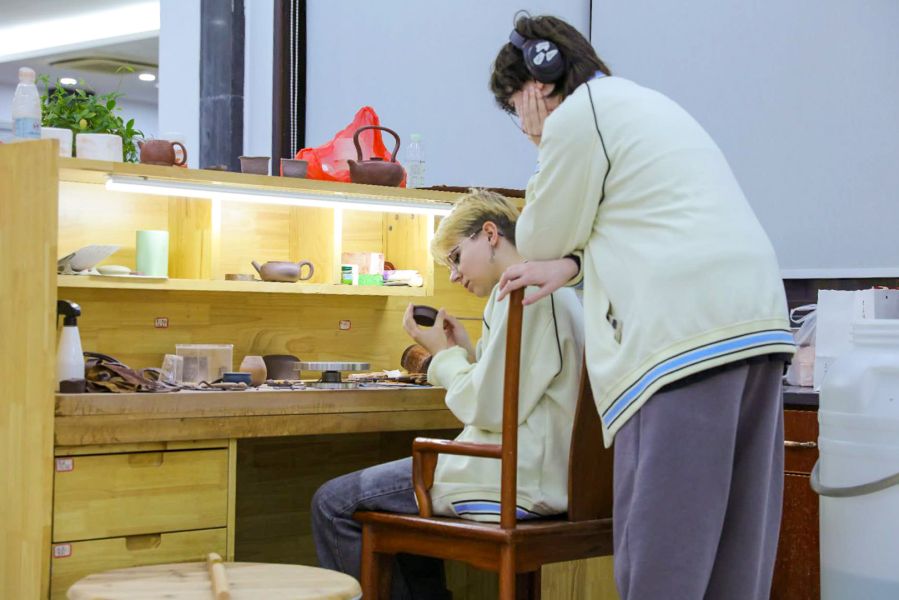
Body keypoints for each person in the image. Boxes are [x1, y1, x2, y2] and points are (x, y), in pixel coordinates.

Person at [491, 14, 796, 600]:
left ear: (538, 82)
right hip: (755, 326)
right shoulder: (641, 105)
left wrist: (541, 143)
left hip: (682, 342)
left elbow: (537, 236)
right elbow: (639, 222)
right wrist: (574, 267)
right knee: (735, 555)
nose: (522, 121)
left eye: (517, 108)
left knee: (665, 557)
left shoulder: (578, 117)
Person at [310, 189, 585, 599]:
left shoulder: (523, 294)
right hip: (553, 470)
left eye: (456, 257)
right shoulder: (553, 290)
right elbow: (523, 386)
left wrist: (443, 356)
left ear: (490, 233)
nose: (454, 275)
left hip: (519, 480)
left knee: (332, 503)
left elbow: (489, 408)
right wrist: (471, 352)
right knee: (398, 510)